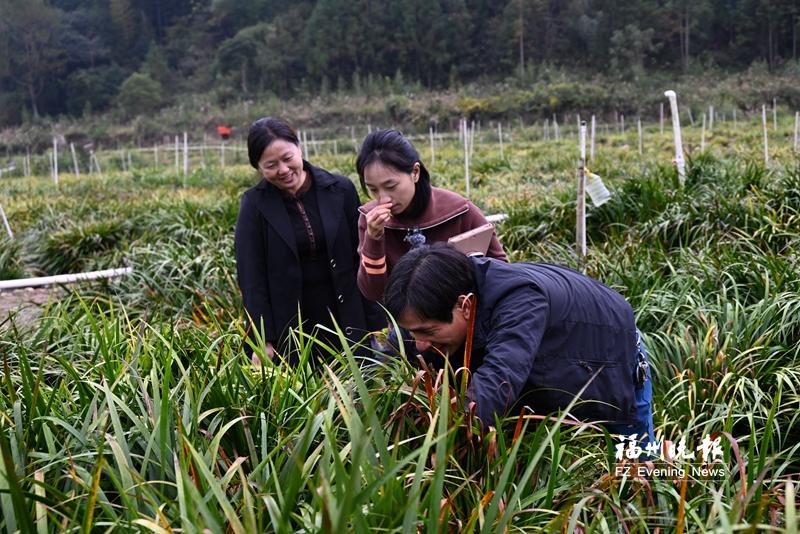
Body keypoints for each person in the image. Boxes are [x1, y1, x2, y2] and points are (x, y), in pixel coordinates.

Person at [383, 243, 654, 442]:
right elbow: (391, 353)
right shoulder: (430, 304)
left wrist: (437, 441)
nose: (419, 344)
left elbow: (499, 380)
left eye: (428, 332)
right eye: (412, 332)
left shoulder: (520, 300)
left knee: (632, 474)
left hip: (608, 359)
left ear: (465, 305)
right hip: (550, 371)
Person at [235, 117, 381, 365]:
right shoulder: (254, 205)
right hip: (292, 325)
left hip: (346, 315)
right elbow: (251, 277)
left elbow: (360, 256)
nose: (283, 169)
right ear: (258, 167)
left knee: (360, 388)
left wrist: (375, 320)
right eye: (271, 165)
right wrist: (263, 339)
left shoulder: (340, 189)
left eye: (287, 158)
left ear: (299, 147)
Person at [355, 129, 507, 302]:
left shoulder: (460, 211)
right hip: (407, 326)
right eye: (373, 189)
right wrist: (374, 238)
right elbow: (373, 293)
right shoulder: (370, 221)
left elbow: (501, 271)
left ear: (415, 172)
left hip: (463, 318)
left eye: (391, 186)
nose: (383, 199)